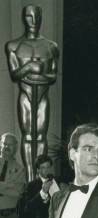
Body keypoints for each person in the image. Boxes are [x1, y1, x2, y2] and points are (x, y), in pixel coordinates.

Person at [5, 4, 59, 182]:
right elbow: (15, 74)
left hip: (42, 95)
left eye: (37, 16)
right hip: (26, 95)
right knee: (27, 135)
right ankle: (30, 180)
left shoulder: (51, 46)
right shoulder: (14, 46)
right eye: (29, 16)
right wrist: (30, 67)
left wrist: (30, 74)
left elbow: (52, 76)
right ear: (23, 18)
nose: (33, 21)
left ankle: (41, 178)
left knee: (41, 136)